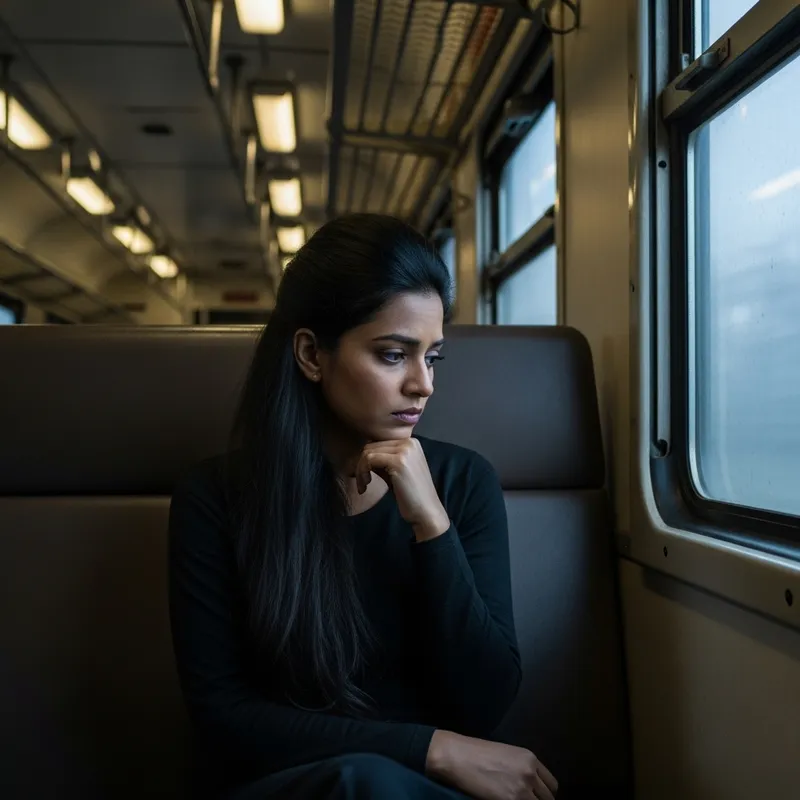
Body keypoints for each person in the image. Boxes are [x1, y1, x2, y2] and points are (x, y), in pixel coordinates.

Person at [168, 214, 558, 800]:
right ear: (311, 355)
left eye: (433, 358)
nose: (423, 384)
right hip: (293, 785)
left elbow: (484, 702)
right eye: (394, 354)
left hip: (419, 789)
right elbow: (226, 718)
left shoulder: (463, 482)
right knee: (362, 783)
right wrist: (430, 748)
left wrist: (431, 524)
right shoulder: (216, 499)